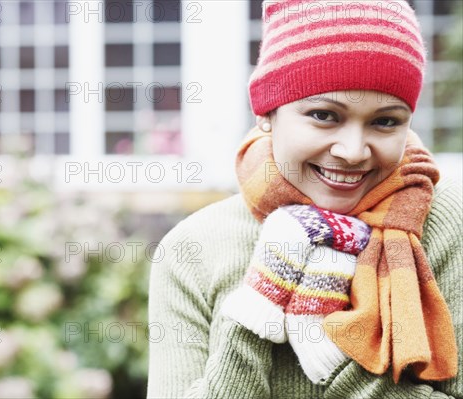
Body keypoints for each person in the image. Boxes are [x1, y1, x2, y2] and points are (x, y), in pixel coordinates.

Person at [146, 1, 462, 398]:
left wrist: (338, 367)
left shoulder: (442, 220)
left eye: (385, 121)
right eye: (324, 115)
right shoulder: (191, 248)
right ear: (266, 111)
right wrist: (258, 306)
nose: (353, 150)